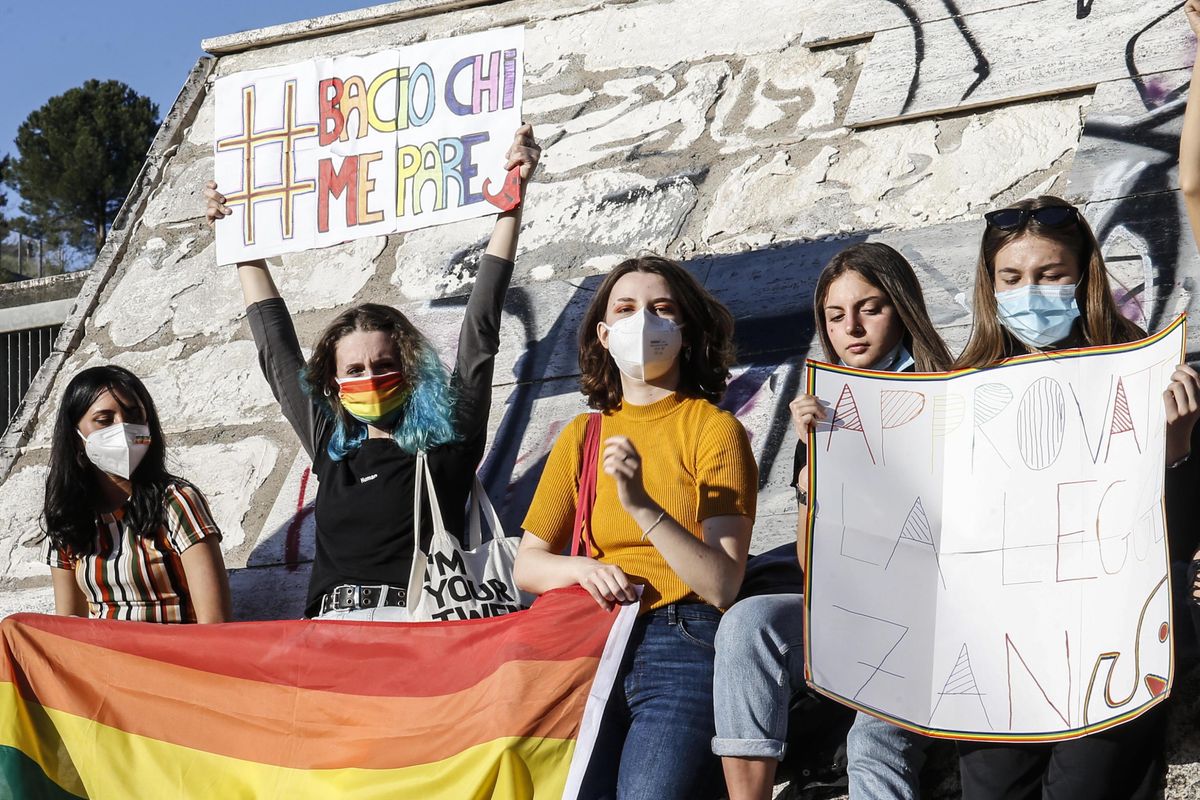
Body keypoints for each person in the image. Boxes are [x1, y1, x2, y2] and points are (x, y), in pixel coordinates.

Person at [205, 124, 540, 620]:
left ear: (408, 371)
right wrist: (237, 240)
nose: (370, 377)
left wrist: (512, 200)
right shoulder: (331, 446)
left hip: (418, 630)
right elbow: (277, 355)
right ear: (334, 385)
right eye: (355, 369)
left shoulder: (447, 444)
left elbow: (480, 332)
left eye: (383, 365)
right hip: (332, 638)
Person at [952, 194, 1200, 799]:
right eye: (1011, 277)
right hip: (1002, 648)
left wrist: (1176, 450)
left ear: (1084, 276)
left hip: (1110, 641)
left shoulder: (1146, 375)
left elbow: (1179, 543)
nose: (1029, 292)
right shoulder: (959, 392)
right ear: (990, 286)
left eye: (1049, 275)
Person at [713, 243, 953, 800]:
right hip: (851, 610)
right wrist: (811, 474)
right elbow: (810, 566)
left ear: (902, 307)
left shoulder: (952, 393)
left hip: (932, 615)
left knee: (873, 738)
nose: (853, 329)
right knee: (750, 623)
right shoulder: (823, 416)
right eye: (836, 316)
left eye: (870, 309)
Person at [513, 255, 757, 800]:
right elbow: (527, 566)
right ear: (604, 334)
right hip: (591, 645)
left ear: (685, 331)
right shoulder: (583, 435)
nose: (642, 320)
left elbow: (721, 583)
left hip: (683, 639)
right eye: (626, 309)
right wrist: (583, 569)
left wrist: (643, 505)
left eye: (661, 308)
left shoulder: (714, 431)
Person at [41, 365, 231, 623]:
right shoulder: (67, 516)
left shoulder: (176, 502)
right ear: (76, 437)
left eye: (133, 415)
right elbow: (69, 626)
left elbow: (215, 622)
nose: (123, 428)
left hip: (172, 658)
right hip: (103, 659)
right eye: (104, 420)